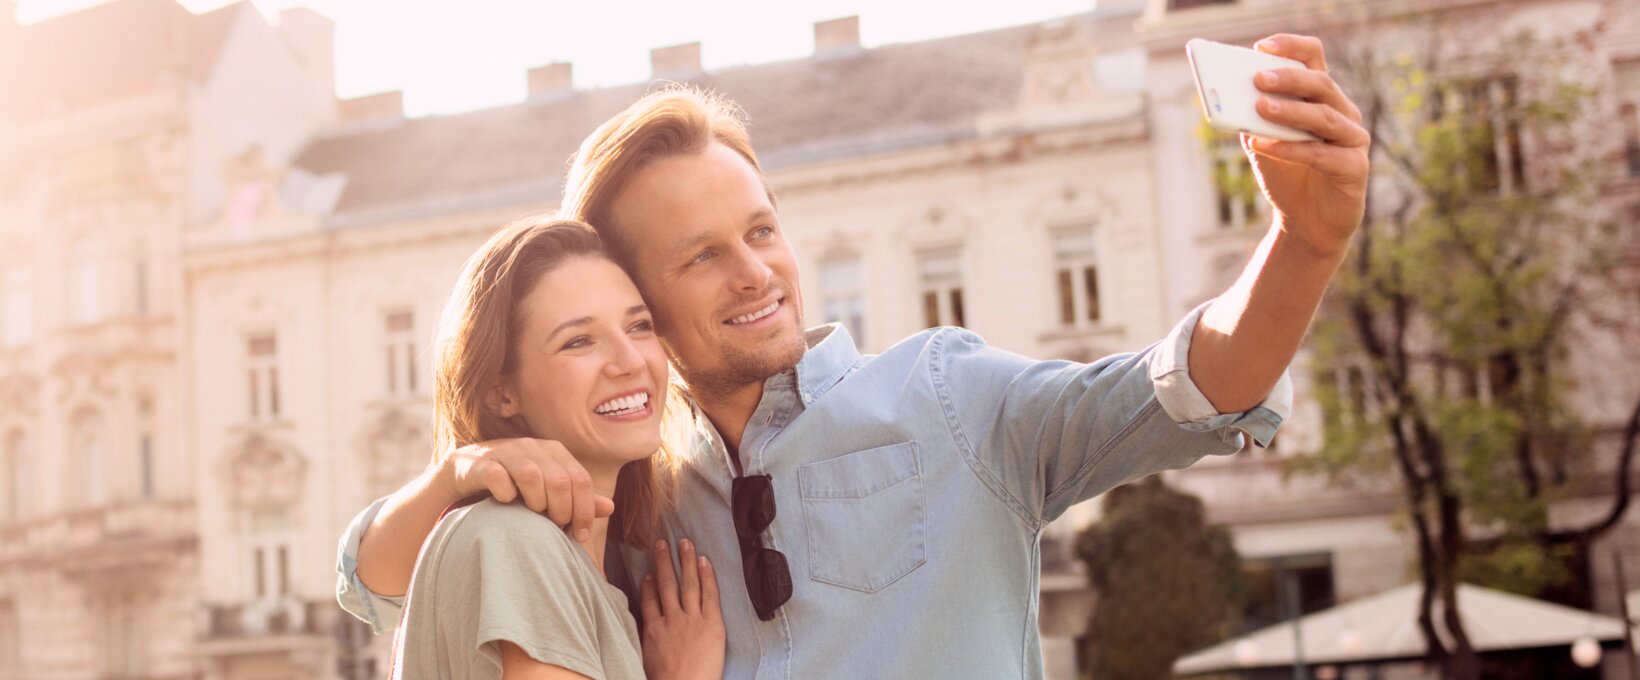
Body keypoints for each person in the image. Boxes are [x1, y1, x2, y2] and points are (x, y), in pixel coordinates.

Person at [338, 33, 1369, 679]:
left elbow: (1192, 383)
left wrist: (1304, 241)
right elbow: (382, 583)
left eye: (761, 229)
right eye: (701, 257)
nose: (755, 272)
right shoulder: (633, 495)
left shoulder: (950, 395)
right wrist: (457, 470)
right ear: (640, 301)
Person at [388, 217, 724, 679]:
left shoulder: (574, 567)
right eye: (579, 341)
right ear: (500, 392)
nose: (630, 361)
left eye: (639, 326)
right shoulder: (515, 544)